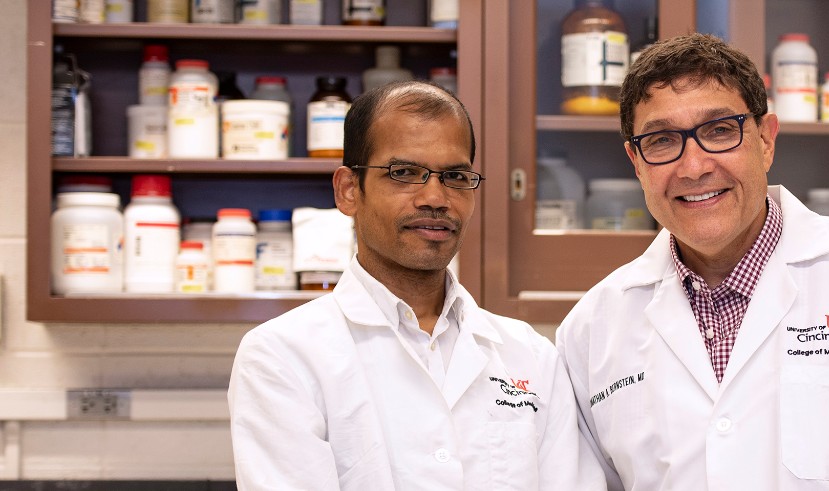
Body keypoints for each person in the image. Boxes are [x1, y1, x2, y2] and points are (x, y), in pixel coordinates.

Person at [556, 33, 829, 489]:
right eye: (661, 140)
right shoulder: (593, 331)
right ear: (636, 161)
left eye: (719, 131)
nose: (693, 167)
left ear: (766, 140)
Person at [228, 81, 603, 490]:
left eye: (455, 176)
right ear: (349, 190)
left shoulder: (530, 357)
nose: (435, 197)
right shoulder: (282, 357)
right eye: (404, 173)